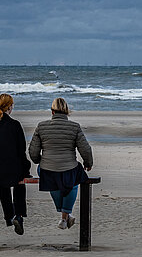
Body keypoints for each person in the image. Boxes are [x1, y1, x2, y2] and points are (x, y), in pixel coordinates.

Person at [29, 97, 93, 230]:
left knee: (54, 182)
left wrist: (39, 161)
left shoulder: (41, 126)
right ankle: (65, 217)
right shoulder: (74, 127)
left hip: (47, 169)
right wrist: (88, 163)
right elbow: (85, 149)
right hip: (69, 168)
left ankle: (64, 216)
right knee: (74, 181)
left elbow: (33, 151)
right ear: (67, 111)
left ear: (52, 112)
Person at [0, 93, 31, 235]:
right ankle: (18, 215)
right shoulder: (15, 125)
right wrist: (26, 168)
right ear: (9, 107)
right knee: (19, 182)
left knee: (3, 188)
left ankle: (10, 217)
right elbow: (21, 150)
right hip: (13, 168)